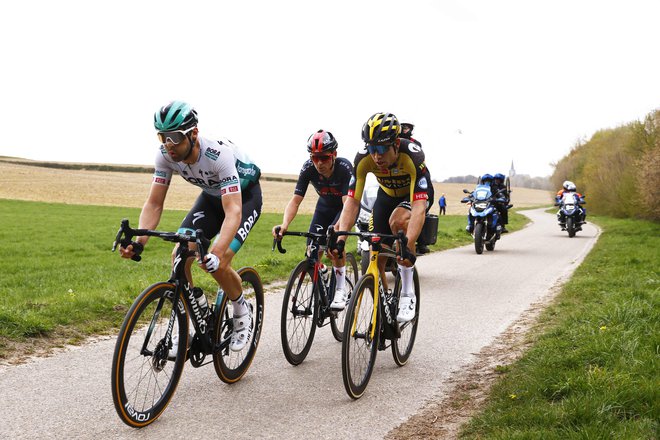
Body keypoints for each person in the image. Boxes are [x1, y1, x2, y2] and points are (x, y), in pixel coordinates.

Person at [118, 101, 262, 353]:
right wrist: (139, 242)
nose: (168, 145)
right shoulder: (164, 156)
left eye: (174, 137)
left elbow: (233, 212)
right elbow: (154, 203)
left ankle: (241, 309)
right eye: (162, 137)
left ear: (193, 133)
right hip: (210, 198)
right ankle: (192, 319)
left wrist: (216, 253)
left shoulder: (218, 156)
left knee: (220, 260)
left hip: (244, 198)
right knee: (179, 254)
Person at [330, 112, 433, 323]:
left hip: (412, 196)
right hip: (386, 196)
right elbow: (352, 201)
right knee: (376, 253)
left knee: (398, 223)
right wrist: (341, 239)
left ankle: (407, 293)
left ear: (396, 144)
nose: (376, 156)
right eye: (372, 149)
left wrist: (408, 243)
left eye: (381, 149)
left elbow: (419, 206)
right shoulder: (363, 158)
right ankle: (384, 303)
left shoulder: (412, 156)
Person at [272, 129, 354, 310]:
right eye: (314, 158)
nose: (318, 163)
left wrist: (336, 230)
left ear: (334, 155)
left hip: (344, 208)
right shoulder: (308, 168)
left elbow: (347, 204)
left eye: (323, 158)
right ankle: (322, 271)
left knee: (334, 246)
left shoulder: (344, 168)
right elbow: (295, 201)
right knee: (312, 250)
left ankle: (340, 290)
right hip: (323, 208)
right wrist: (284, 225)